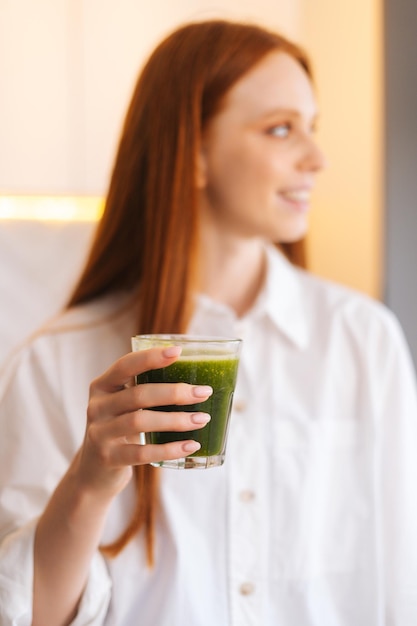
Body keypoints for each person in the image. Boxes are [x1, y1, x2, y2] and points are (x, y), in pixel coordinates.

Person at [0, 18, 416, 626]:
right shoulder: (57, 359)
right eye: (280, 129)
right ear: (191, 151)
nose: (317, 158)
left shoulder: (362, 339)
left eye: (312, 128)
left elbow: (401, 572)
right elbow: (26, 614)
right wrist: (89, 485)